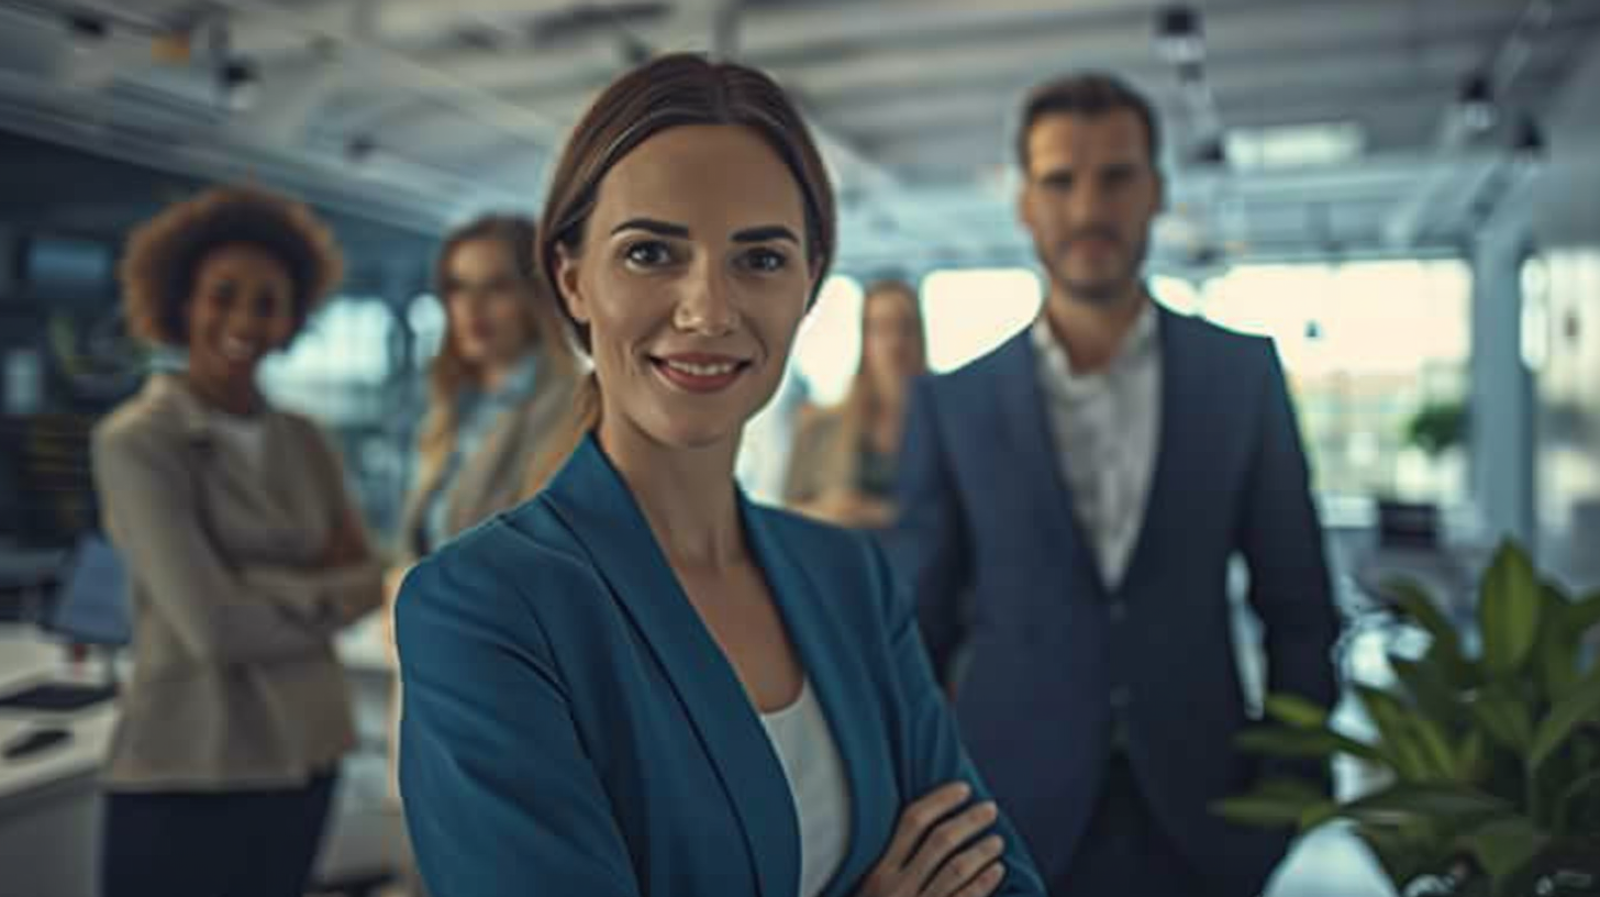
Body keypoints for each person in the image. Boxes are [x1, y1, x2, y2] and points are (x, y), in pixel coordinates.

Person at [395, 53, 1046, 897]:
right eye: (650, 253)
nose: (707, 310)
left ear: (810, 283)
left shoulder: (848, 578)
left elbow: (998, 878)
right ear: (571, 278)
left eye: (761, 259)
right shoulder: (483, 607)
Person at [890, 72, 1342, 896]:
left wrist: (1290, 793)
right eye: (1060, 180)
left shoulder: (1241, 375)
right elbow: (918, 631)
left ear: (1156, 191)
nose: (1088, 206)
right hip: (1007, 818)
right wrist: (922, 809)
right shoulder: (952, 402)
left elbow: (1300, 603)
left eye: (1116, 176)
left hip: (1209, 816)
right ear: (1024, 200)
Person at [91, 186, 384, 897]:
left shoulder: (305, 439)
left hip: (306, 756)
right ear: (182, 303)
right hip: (190, 766)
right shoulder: (137, 440)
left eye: (267, 301)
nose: (243, 319)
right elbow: (212, 626)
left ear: (291, 317)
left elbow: (370, 578)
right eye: (222, 295)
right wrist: (320, 589)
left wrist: (258, 585)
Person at [393, 213, 580, 568]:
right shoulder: (454, 406)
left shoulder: (570, 409)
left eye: (496, 287)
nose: (472, 307)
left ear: (534, 297)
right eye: (458, 286)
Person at [786, 279, 927, 529]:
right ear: (865, 340)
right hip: (846, 559)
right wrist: (830, 512)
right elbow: (787, 515)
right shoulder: (821, 426)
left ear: (921, 336)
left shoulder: (949, 426)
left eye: (905, 328)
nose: (895, 343)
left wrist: (879, 513)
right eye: (881, 328)